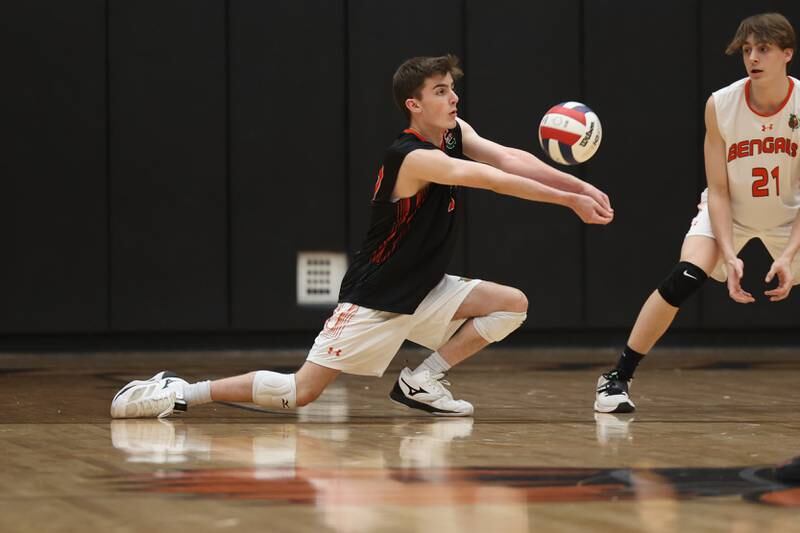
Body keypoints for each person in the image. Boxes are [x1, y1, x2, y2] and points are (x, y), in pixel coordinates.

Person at [111, 54, 613, 420]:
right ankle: (181, 391)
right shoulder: (413, 157)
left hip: (423, 287)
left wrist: (578, 184)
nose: (453, 97)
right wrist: (568, 202)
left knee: (511, 304)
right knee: (299, 393)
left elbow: (508, 158)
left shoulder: (455, 133)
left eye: (452, 88)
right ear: (414, 104)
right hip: (378, 295)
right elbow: (492, 179)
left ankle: (422, 379)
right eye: (441, 91)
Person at [595, 12, 799, 414]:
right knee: (684, 276)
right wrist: (728, 253)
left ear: (787, 54)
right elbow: (719, 191)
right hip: (732, 212)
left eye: (763, 49)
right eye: (746, 50)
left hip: (789, 214)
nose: (752, 58)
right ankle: (616, 377)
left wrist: (789, 256)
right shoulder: (721, 105)